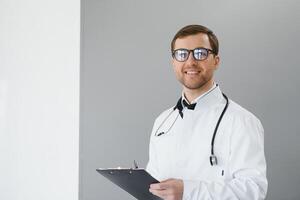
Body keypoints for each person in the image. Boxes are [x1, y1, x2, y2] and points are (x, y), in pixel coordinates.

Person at [146, 24, 268, 200]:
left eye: (200, 53)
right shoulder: (162, 121)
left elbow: (253, 190)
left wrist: (188, 191)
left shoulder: (242, 121)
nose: (190, 62)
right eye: (182, 54)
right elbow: (154, 185)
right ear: (174, 62)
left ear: (216, 61)